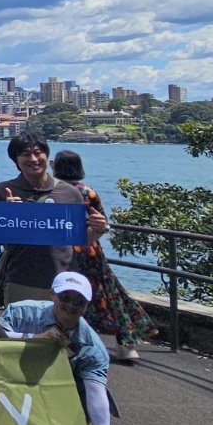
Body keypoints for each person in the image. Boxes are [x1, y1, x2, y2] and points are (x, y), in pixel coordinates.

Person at [0, 272, 119, 425]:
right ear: (52, 294)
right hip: (14, 376)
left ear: (87, 304)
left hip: (62, 389)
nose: (71, 305)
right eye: (65, 297)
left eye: (79, 301)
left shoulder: (94, 347)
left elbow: (96, 394)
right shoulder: (21, 312)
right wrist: (32, 338)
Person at [51, 150, 156, 363]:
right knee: (108, 294)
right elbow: (101, 222)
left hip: (65, 251)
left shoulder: (56, 192)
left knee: (68, 294)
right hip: (91, 250)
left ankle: (73, 342)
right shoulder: (88, 192)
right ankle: (126, 341)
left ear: (56, 167)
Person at [0, 132, 107, 305]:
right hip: (20, 279)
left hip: (63, 281)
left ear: (47, 155)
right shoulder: (5, 190)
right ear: (15, 160)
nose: (33, 158)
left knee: (60, 331)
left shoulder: (70, 192)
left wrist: (98, 228)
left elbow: (82, 238)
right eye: (25, 154)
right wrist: (7, 214)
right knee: (18, 331)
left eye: (38, 152)